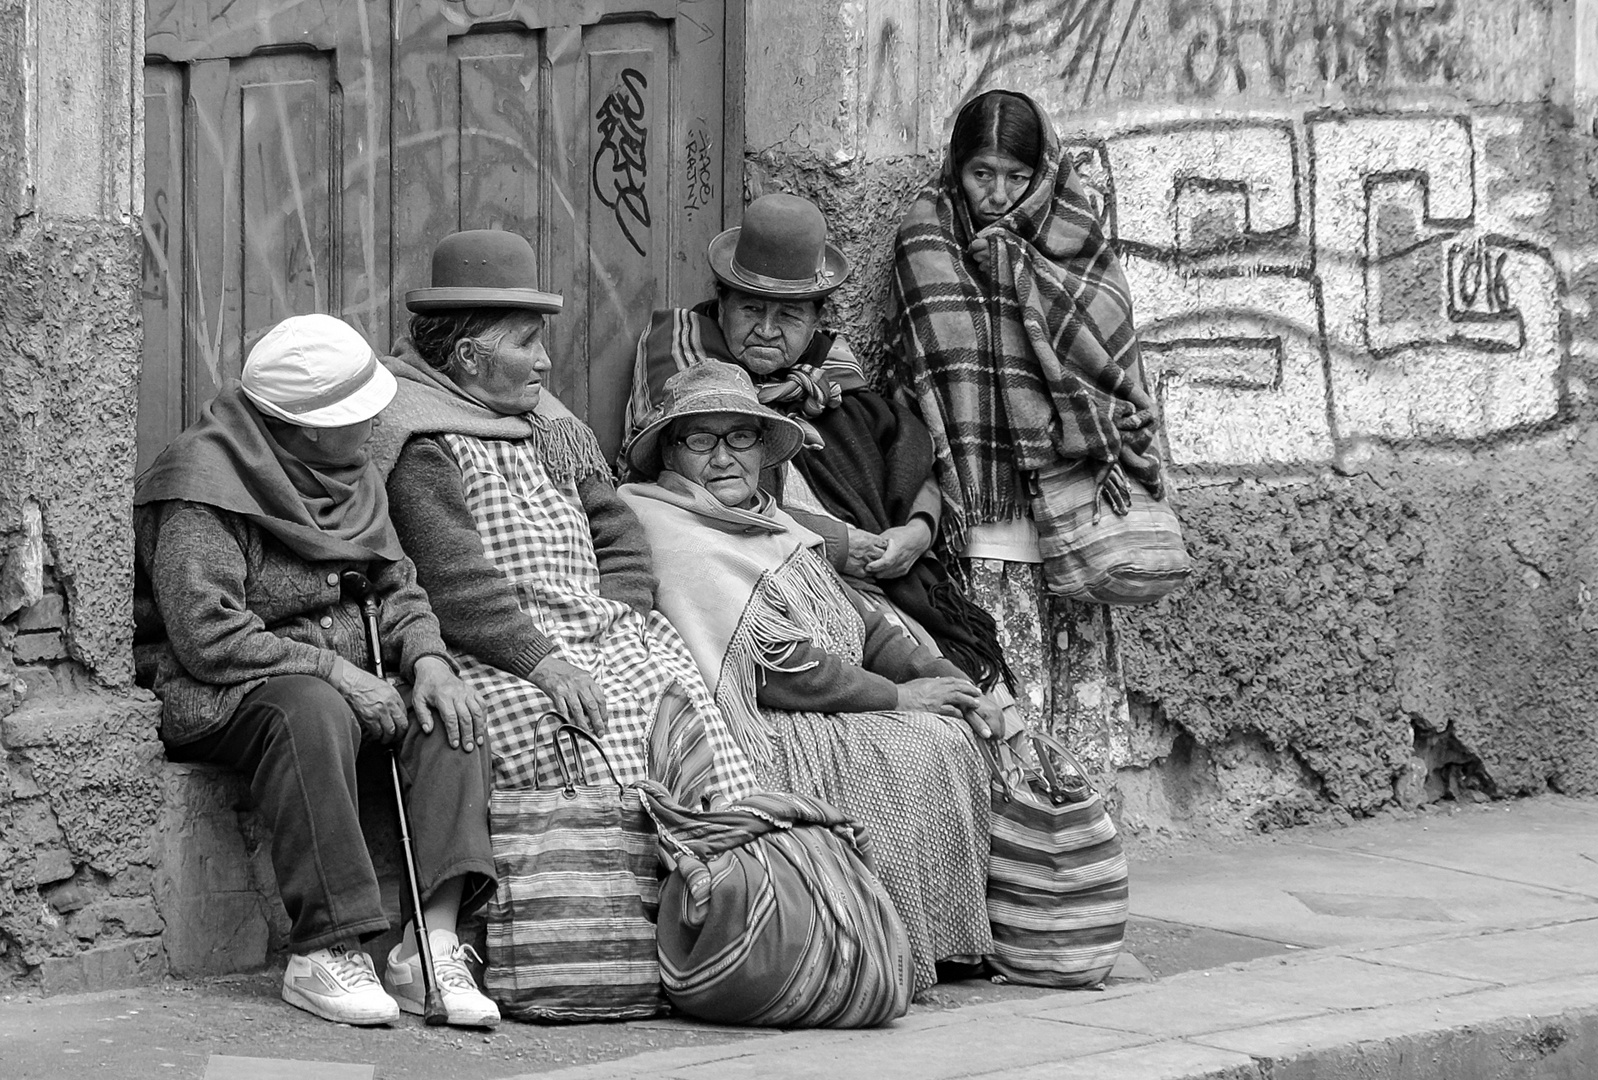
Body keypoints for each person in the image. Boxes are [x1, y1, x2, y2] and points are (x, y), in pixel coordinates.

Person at [134, 314, 500, 1028]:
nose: (375, 419)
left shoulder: (349, 470)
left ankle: (431, 946)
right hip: (230, 690)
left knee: (449, 712)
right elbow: (208, 637)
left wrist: (426, 657)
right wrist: (338, 673)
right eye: (354, 413)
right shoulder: (201, 484)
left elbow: (399, 587)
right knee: (311, 709)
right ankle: (324, 950)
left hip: (345, 683)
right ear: (297, 427)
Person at [618, 360, 1003, 992]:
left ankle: (938, 939)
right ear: (669, 451)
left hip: (830, 696)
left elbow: (862, 623)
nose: (723, 456)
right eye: (701, 439)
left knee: (954, 728)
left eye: (740, 436)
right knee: (913, 743)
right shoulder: (667, 526)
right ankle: (876, 944)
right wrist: (900, 697)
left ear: (762, 448)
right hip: (765, 728)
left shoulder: (776, 522)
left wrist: (937, 674)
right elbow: (776, 670)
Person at [371, 229, 755, 815]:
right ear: (470, 356)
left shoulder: (548, 422)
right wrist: (545, 662)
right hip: (498, 651)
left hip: (602, 629)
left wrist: (625, 616)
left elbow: (617, 530)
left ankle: (723, 870)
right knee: (581, 733)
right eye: (527, 343)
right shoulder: (418, 432)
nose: (547, 362)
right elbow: (455, 584)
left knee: (684, 712)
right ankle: (616, 888)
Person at [619, 193, 1012, 695]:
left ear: (817, 318)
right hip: (764, 584)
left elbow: (907, 458)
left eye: (789, 315)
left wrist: (917, 531)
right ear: (721, 302)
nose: (765, 330)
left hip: (874, 583)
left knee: (969, 693)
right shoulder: (684, 366)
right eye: (750, 308)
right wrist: (839, 545)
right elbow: (700, 497)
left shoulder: (833, 371)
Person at [886, 89, 1165, 722]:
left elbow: (1114, 363)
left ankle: (1077, 814)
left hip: (1073, 502)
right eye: (981, 174)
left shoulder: (1075, 239)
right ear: (956, 168)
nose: (999, 194)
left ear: (1042, 172)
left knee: (1069, 699)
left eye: (1017, 176)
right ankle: (1011, 815)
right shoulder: (925, 239)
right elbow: (922, 376)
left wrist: (1108, 430)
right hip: (980, 515)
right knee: (1001, 693)